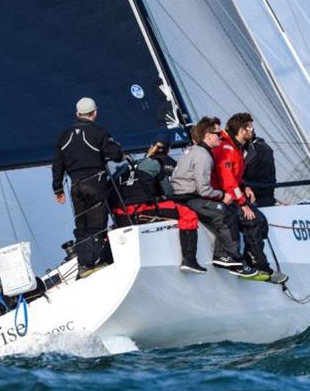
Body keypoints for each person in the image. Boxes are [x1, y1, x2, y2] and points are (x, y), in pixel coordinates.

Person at [170, 117, 258, 278]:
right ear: (208, 136)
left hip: (183, 196)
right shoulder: (203, 156)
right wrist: (222, 195)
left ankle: (226, 256)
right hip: (189, 199)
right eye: (218, 133)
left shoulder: (193, 150)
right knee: (226, 213)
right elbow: (204, 190)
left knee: (226, 210)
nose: (221, 136)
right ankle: (230, 258)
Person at [108, 140, 206, 274]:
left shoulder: (123, 167)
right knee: (187, 213)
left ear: (150, 147)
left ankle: (106, 258)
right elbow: (168, 191)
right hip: (141, 210)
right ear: (169, 149)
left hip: (120, 215)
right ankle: (190, 260)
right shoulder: (155, 164)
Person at [52, 97, 123, 278]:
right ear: (95, 113)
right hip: (95, 184)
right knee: (97, 225)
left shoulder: (63, 135)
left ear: (77, 114)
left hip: (75, 187)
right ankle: (89, 265)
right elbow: (116, 155)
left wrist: (58, 189)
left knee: (81, 227)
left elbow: (57, 165)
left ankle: (84, 265)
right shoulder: (98, 132)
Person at [212, 113, 287, 283]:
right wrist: (243, 204)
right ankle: (260, 267)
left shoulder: (236, 146)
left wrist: (245, 185)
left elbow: (234, 177)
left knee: (261, 221)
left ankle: (252, 261)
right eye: (250, 128)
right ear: (241, 130)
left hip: (231, 194)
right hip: (222, 197)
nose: (253, 131)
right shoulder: (227, 149)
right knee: (252, 220)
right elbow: (227, 180)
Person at [243, 133, 278, 207]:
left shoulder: (254, 150)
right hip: (267, 196)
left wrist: (244, 186)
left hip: (257, 199)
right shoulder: (263, 145)